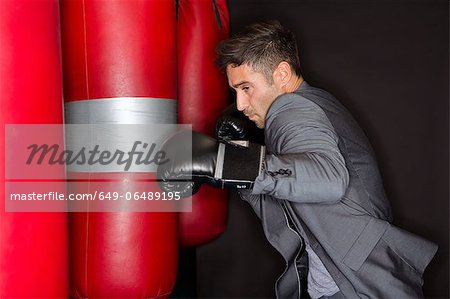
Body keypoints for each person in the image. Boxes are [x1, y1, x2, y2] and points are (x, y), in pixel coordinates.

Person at [158, 20, 438, 298]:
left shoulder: (291, 108)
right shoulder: (314, 103)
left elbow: (329, 179)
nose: (240, 105)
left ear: (281, 74)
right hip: (346, 282)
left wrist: (221, 161)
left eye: (246, 88)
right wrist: (242, 160)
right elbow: (287, 200)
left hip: (358, 287)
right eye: (235, 92)